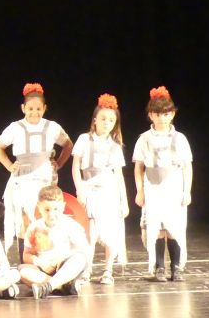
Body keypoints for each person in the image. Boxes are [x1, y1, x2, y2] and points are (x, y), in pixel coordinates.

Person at [0, 83, 73, 261]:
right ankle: (25, 259)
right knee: (24, 218)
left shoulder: (52, 127)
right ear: (23, 108)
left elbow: (68, 145)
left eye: (38, 109)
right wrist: (9, 165)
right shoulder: (15, 127)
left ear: (44, 108)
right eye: (30, 109)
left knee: (45, 214)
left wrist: (59, 163)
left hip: (44, 175)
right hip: (22, 176)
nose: (34, 112)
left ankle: (47, 256)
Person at [133, 86, 192, 282]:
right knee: (156, 227)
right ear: (151, 115)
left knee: (174, 227)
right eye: (157, 114)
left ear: (172, 114)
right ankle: (159, 266)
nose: (162, 118)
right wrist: (140, 191)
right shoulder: (144, 139)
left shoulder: (180, 138)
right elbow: (138, 167)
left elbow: (187, 167)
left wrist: (187, 191)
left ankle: (176, 267)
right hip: (153, 187)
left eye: (166, 114)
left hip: (173, 187)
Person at [71, 93, 129, 285]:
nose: (107, 123)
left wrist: (124, 201)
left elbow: (118, 175)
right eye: (103, 118)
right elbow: (75, 167)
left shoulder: (115, 145)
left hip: (108, 191)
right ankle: (86, 269)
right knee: (90, 232)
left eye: (111, 120)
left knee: (110, 231)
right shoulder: (83, 139)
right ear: (95, 119)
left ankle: (107, 270)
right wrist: (79, 190)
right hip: (89, 189)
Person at [19, 185, 89, 299]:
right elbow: (26, 255)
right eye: (47, 210)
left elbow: (83, 249)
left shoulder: (71, 225)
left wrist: (61, 259)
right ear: (39, 207)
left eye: (55, 209)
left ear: (63, 206)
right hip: (43, 270)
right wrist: (40, 263)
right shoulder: (34, 227)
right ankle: (63, 286)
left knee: (80, 258)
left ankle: (49, 286)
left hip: (64, 267)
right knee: (23, 271)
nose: (51, 214)